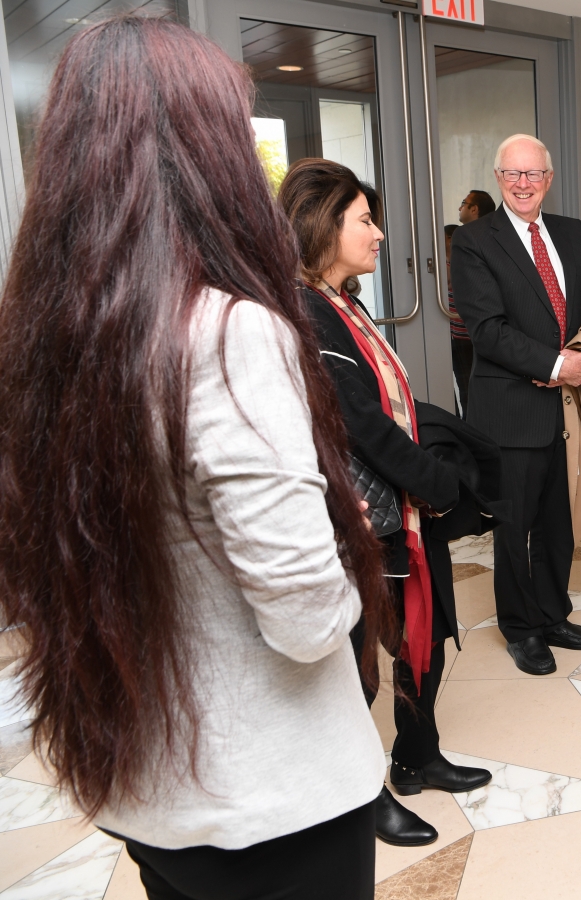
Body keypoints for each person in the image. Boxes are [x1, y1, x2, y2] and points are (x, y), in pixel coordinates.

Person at [0, 16, 394, 899]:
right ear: (206, 153)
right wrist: (342, 561)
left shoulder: (48, 336)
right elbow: (302, 621)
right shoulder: (227, 332)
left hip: (149, 785)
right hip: (270, 795)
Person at [279, 159, 493, 847]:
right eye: (364, 221)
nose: (378, 235)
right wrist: (435, 481)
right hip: (361, 517)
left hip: (395, 506)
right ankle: (359, 794)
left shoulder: (344, 300)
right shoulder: (305, 311)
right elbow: (360, 425)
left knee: (420, 638)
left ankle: (417, 756)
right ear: (323, 226)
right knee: (357, 666)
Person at [451, 134, 581, 676]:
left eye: (533, 174)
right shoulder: (476, 240)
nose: (523, 184)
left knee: (558, 522)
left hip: (569, 410)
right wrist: (554, 364)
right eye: (512, 174)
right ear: (499, 178)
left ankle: (553, 614)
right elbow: (488, 330)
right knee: (514, 526)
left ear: (548, 179)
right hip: (509, 412)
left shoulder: (571, 233)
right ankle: (520, 628)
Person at [444, 223, 473, 414]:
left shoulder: (461, 262)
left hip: (467, 335)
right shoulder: (443, 265)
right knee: (463, 386)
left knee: (467, 387)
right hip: (455, 335)